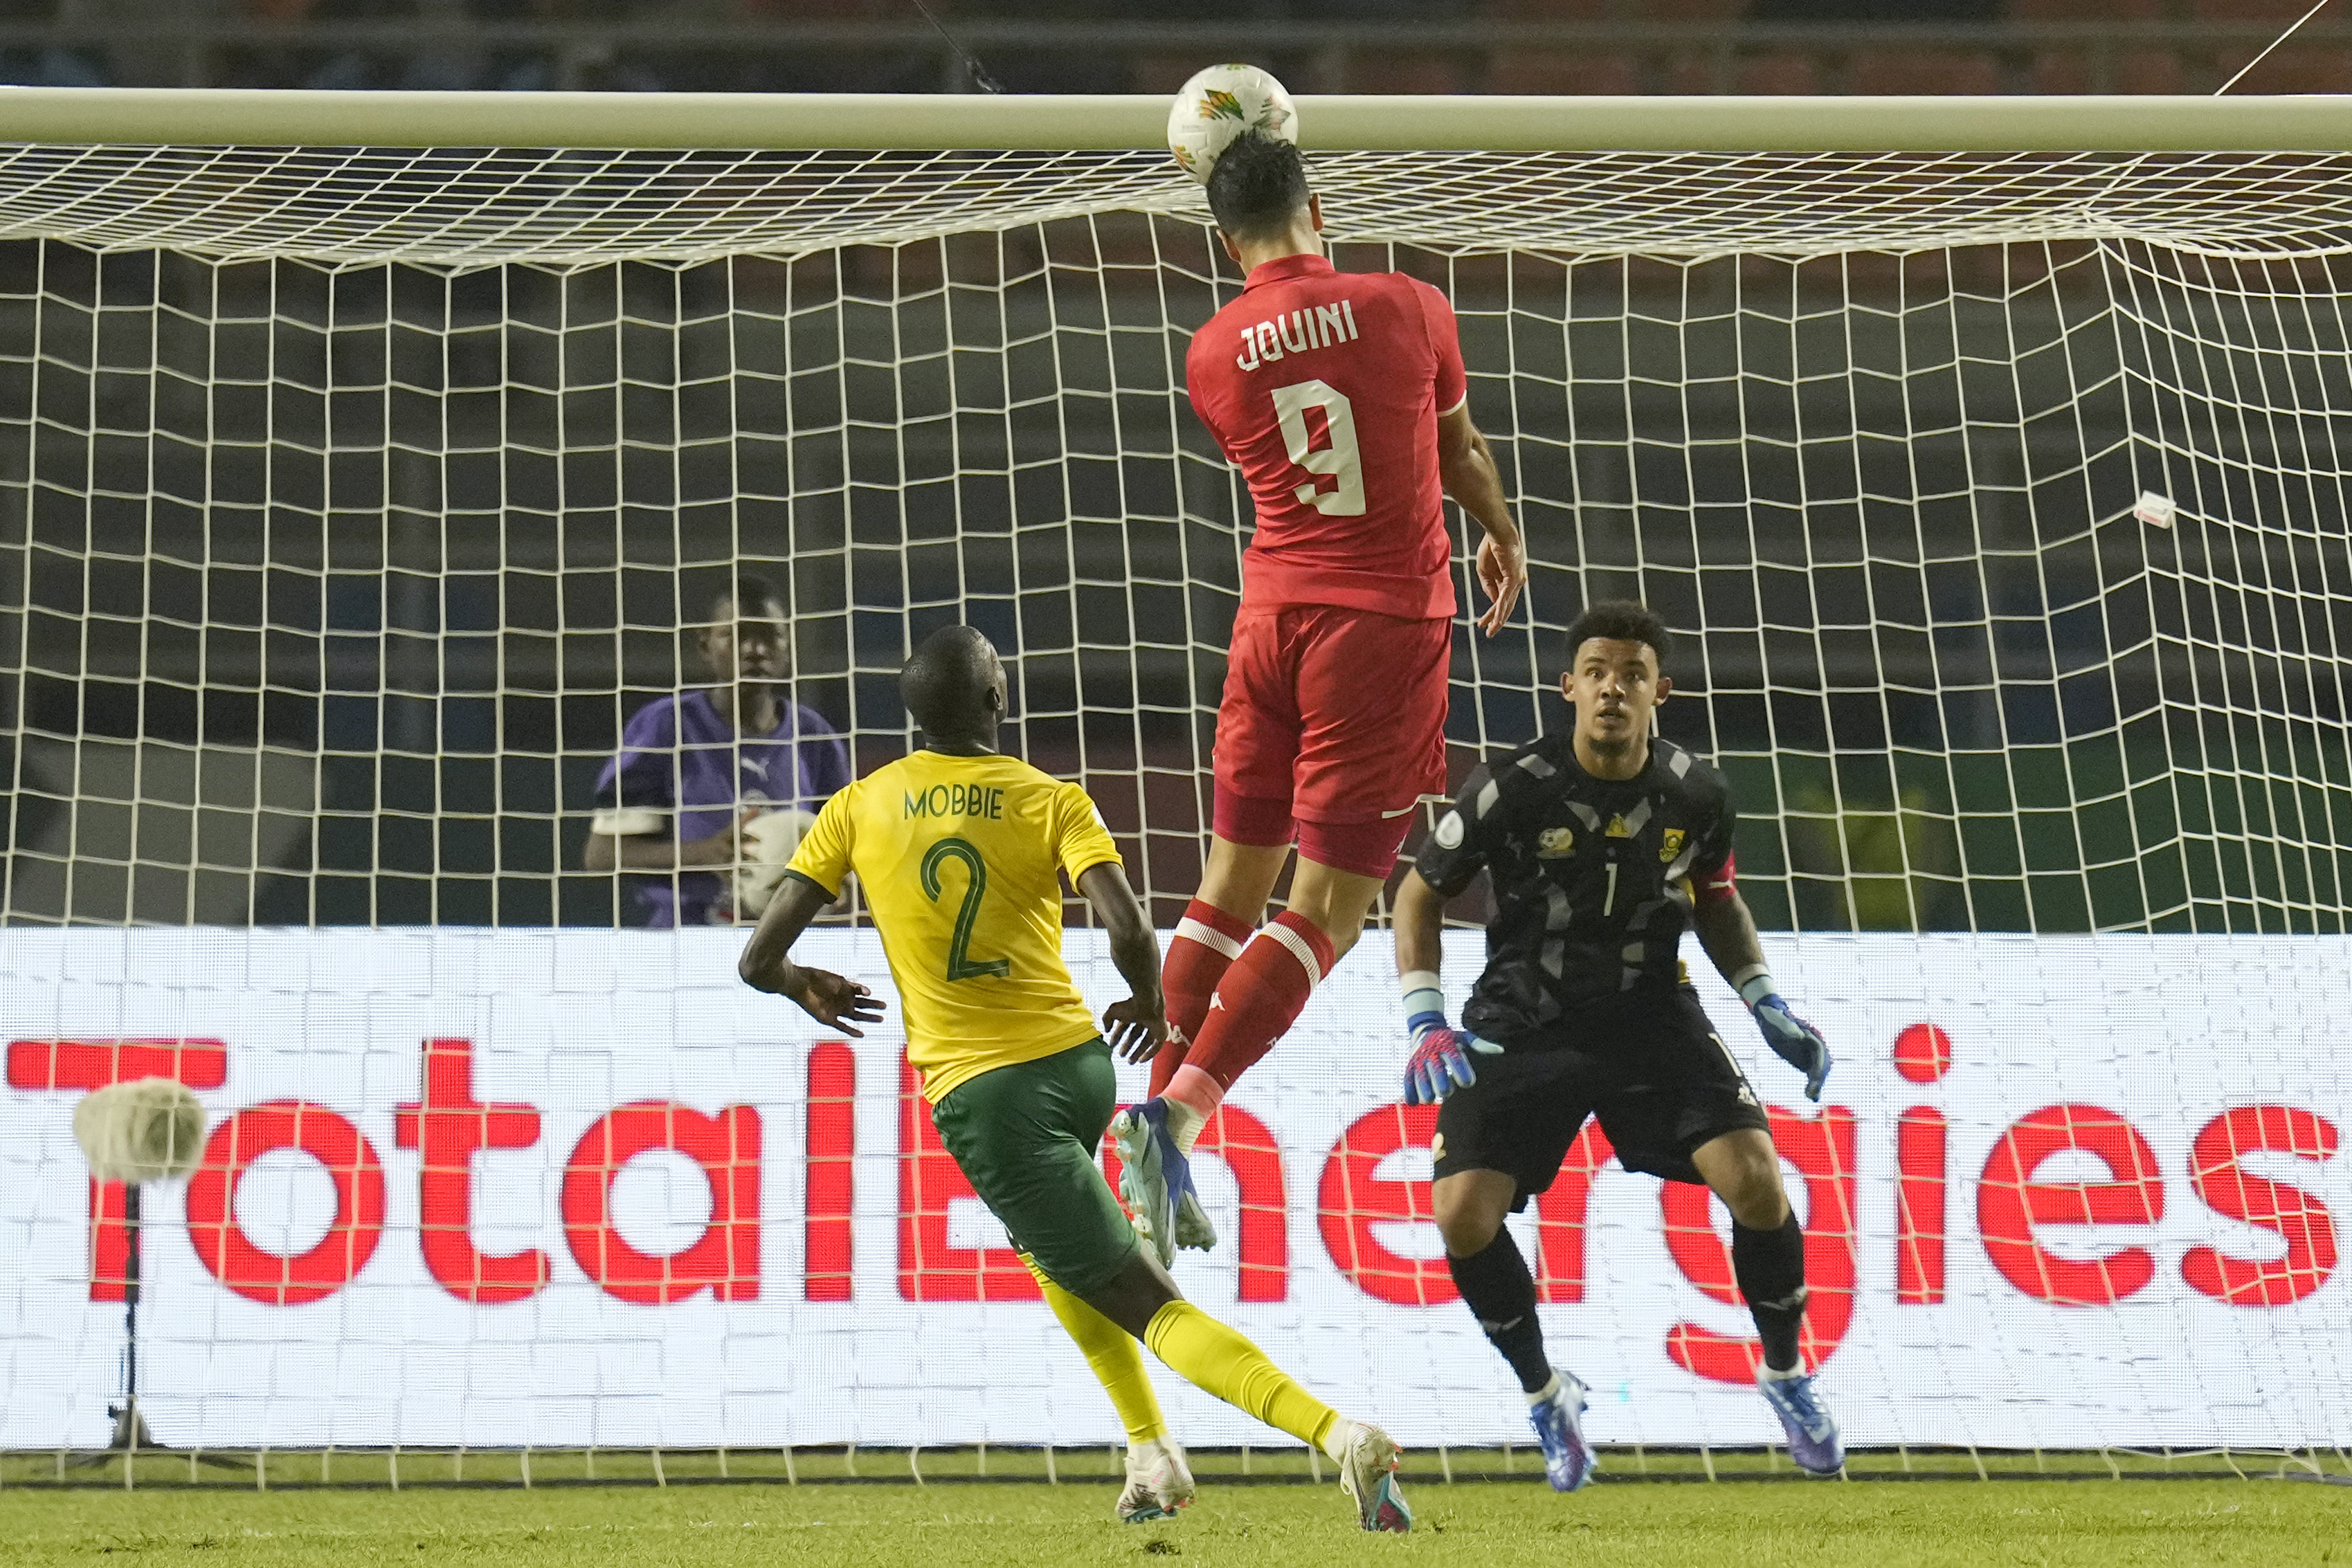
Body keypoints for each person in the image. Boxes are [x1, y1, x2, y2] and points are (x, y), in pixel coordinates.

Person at [736, 625, 1413, 1533]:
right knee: (1052, 1248)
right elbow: (1130, 926)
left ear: (911, 712)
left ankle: (1335, 1433)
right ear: (994, 702)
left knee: (1143, 1300)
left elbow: (757, 957)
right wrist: (1149, 1003)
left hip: (986, 1095)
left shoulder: (858, 805)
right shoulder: (1051, 796)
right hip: (1080, 1063)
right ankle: (1150, 1452)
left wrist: (798, 982)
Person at [1114, 131, 1530, 1264]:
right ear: (1316, 199)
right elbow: (1456, 446)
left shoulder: (1211, 353)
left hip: (1265, 622)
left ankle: (1139, 1126)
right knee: (1327, 913)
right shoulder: (1404, 305)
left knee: (1223, 888)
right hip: (1379, 627)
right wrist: (1495, 528)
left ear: (1220, 236)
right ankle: (1178, 1114)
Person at [1393, 600, 1842, 1489]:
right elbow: (1419, 890)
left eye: (1631, 674)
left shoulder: (1697, 793)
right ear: (1567, 687)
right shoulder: (1509, 784)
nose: (1611, 688)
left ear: (1658, 692)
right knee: (1459, 1215)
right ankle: (1545, 1392)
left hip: (1650, 1014)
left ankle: (1786, 1373)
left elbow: (1715, 896)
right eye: (1595, 671)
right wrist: (1423, 1015)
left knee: (1756, 1180)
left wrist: (1762, 999)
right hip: (1522, 1016)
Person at [584, 572, 849, 927]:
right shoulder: (665, 727)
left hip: (784, 944)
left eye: (770, 636)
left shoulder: (815, 737)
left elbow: (845, 851)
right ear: (705, 646)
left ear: (788, 645)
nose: (755, 649)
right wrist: (708, 853)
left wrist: (839, 885)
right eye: (736, 635)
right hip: (683, 940)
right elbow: (601, 854)